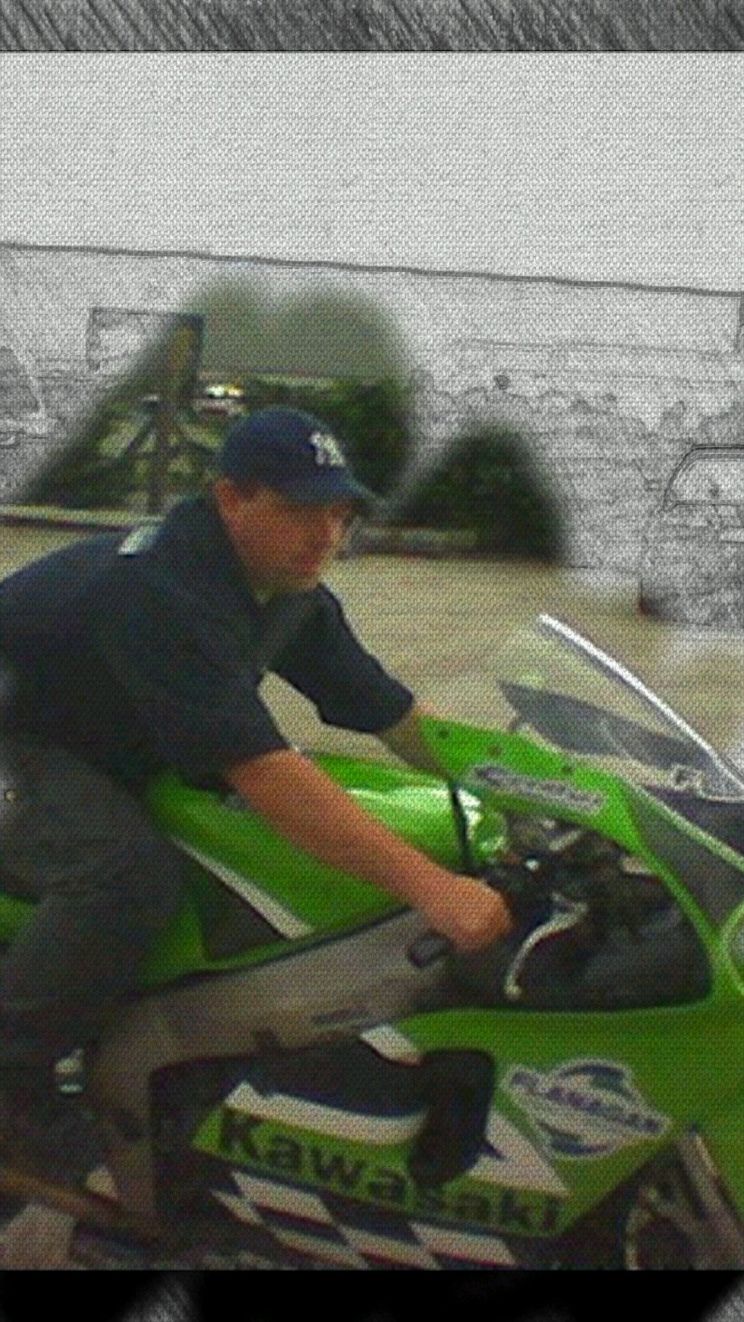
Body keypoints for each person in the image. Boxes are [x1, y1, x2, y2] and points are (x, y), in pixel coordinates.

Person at [0, 405, 512, 1183]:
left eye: (340, 514)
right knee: (124, 874)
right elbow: (265, 771)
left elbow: (398, 718)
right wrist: (434, 889)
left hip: (88, 746)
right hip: (21, 746)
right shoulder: (164, 590)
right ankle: (13, 1083)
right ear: (231, 498)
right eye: (302, 510)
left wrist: (533, 787)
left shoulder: (286, 591)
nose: (326, 535)